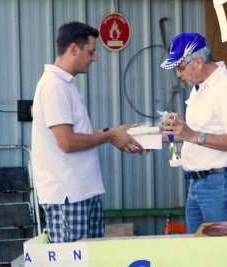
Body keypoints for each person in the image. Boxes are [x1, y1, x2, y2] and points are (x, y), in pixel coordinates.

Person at [31, 21, 143, 243]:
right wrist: (110, 136)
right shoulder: (54, 86)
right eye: (90, 52)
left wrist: (115, 133)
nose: (94, 58)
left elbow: (78, 132)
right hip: (68, 195)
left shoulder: (66, 84)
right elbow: (67, 142)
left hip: (81, 191)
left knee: (91, 258)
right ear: (73, 49)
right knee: (74, 260)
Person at [160, 32, 227, 234]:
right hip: (199, 183)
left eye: (180, 67)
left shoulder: (226, 87)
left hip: (220, 184)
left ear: (198, 62)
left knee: (222, 256)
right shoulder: (200, 88)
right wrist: (149, 139)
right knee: (201, 255)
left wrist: (192, 135)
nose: (178, 74)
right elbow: (190, 134)